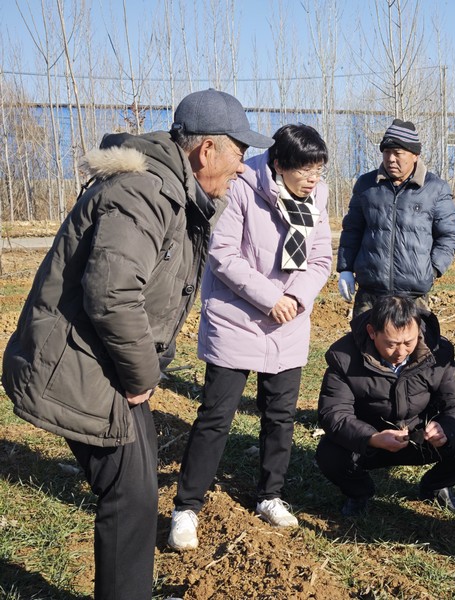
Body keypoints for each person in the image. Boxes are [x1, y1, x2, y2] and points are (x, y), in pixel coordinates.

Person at [1, 89, 272, 600]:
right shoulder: (144, 192)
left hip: (107, 362)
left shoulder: (172, 192)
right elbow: (112, 293)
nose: (242, 167)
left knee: (137, 490)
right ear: (206, 150)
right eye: (239, 153)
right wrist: (143, 376)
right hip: (84, 364)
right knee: (128, 496)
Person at [167, 124, 332, 550]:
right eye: (305, 170)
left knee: (280, 415)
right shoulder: (241, 186)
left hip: (288, 321)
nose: (312, 178)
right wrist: (269, 298)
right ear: (278, 163)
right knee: (215, 416)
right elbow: (223, 254)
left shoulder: (318, 195)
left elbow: (320, 258)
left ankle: (270, 495)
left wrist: (294, 298)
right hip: (237, 318)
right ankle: (187, 507)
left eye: (318, 169)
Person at [315, 295, 455, 516]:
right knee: (329, 453)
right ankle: (359, 493)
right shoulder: (344, 357)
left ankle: (436, 485)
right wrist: (372, 438)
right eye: (391, 344)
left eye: (409, 342)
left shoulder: (438, 351)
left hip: (422, 437)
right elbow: (334, 414)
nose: (401, 352)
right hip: (372, 441)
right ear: (372, 332)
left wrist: (446, 429)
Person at [336, 119, 455, 316]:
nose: (391, 159)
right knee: (364, 336)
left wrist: (432, 270)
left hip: (413, 296)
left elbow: (449, 235)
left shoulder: (435, 189)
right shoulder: (367, 185)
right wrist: (345, 268)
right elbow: (352, 229)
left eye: (397, 153)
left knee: (413, 337)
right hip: (370, 293)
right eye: (386, 152)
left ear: (415, 155)